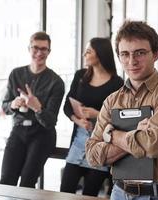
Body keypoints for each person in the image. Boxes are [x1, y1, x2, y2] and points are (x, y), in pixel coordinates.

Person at [85, 20, 158, 200]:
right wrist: (137, 133)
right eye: (125, 54)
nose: (132, 61)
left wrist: (112, 135)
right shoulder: (112, 101)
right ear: (118, 57)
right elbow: (92, 154)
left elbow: (152, 146)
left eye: (140, 53)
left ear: (156, 54)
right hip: (119, 193)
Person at [0, 31, 65, 188]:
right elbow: (4, 106)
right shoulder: (16, 74)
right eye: (35, 48)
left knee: (27, 183)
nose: (39, 53)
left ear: (49, 52)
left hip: (42, 134)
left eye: (44, 49)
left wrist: (37, 108)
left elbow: (50, 122)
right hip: (19, 130)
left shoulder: (56, 82)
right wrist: (14, 104)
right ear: (28, 48)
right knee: (6, 180)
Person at [60, 37, 123, 196]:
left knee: (90, 194)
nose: (84, 54)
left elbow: (121, 118)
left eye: (88, 51)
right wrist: (78, 120)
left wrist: (98, 114)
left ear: (100, 54)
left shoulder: (117, 83)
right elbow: (67, 106)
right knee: (64, 192)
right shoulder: (80, 76)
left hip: (101, 146)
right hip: (78, 143)